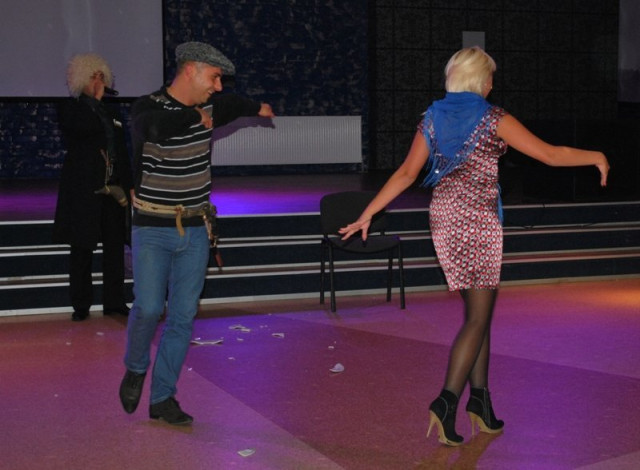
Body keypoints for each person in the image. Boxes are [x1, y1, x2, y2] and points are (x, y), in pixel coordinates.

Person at [339, 46, 609, 446]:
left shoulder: (432, 117)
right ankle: (447, 401)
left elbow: (407, 173)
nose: (492, 85)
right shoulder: (493, 117)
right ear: (482, 81)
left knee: (478, 314)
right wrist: (596, 155)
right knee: (478, 319)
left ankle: (480, 401)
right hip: (477, 221)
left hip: (444, 217)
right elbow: (550, 155)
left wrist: (368, 213)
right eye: (490, 78)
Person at [119, 42, 274, 425]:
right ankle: (136, 367)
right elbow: (154, 129)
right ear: (191, 70)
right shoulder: (147, 106)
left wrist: (258, 108)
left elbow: (235, 103)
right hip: (152, 227)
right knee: (149, 307)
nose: (218, 87)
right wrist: (193, 116)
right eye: (214, 77)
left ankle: (162, 397)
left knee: (183, 316)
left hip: (196, 228)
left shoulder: (213, 107)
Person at [53, 53, 133, 322]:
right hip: (84, 189)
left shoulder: (113, 111)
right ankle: (81, 304)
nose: (98, 81)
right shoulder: (70, 108)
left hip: (113, 189)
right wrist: (96, 101)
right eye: (93, 77)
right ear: (79, 80)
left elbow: (122, 150)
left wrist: (129, 185)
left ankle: (114, 301)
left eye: (101, 76)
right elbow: (83, 130)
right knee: (82, 248)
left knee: (114, 246)